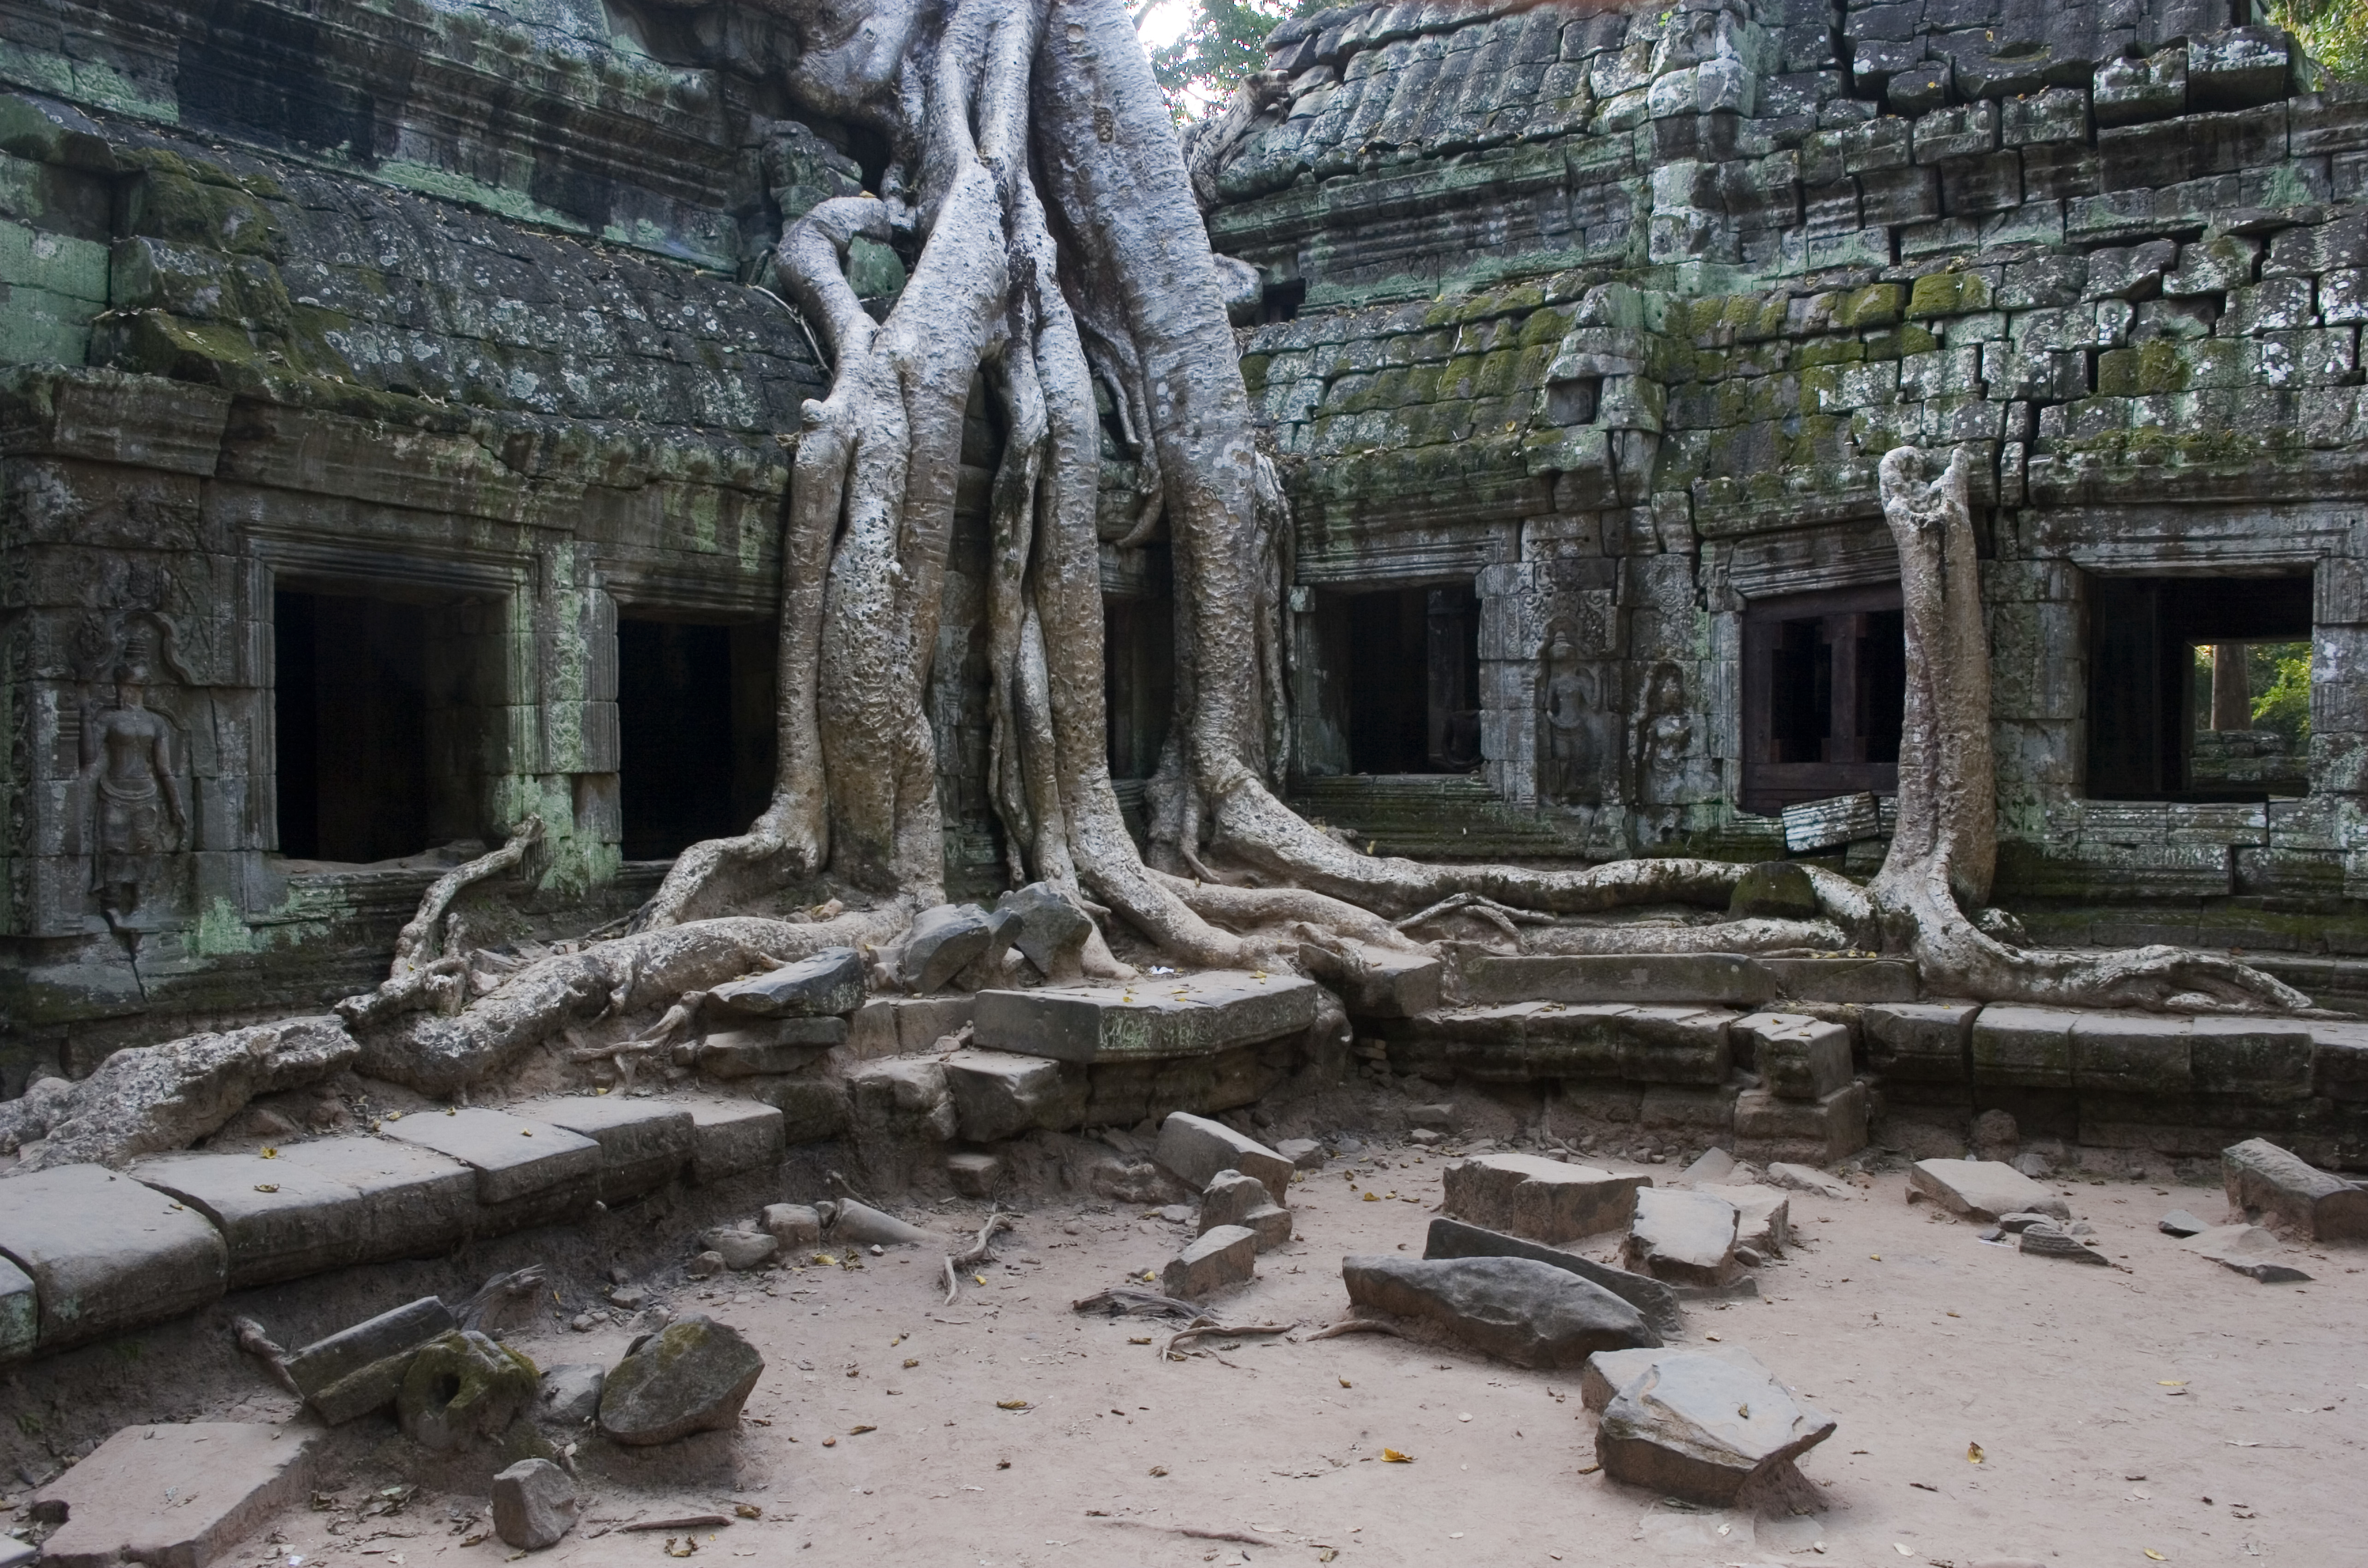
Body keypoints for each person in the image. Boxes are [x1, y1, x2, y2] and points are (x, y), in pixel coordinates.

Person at [81, 664, 185, 922]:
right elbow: (88, 757)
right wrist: (84, 717)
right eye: (129, 685)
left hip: (146, 792)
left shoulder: (156, 722)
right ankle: (111, 904)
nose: (133, 691)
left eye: (139, 685)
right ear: (120, 685)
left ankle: (140, 903)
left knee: (146, 848)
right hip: (114, 791)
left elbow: (165, 769)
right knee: (114, 849)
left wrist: (176, 804)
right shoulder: (109, 719)